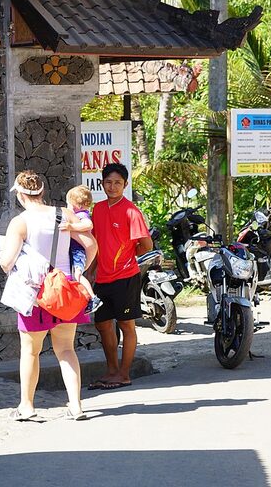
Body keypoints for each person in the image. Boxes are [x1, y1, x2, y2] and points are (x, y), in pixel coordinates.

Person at [0, 170, 97, 421]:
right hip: (65, 292)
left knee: (31, 352)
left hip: (35, 294)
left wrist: (5, 256)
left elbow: (7, 262)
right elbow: (91, 245)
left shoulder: (20, 222)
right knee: (66, 350)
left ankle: (27, 406)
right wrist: (78, 270)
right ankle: (75, 406)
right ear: (42, 192)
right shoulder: (64, 214)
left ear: (21, 195)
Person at [89, 163, 153, 391]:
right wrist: (89, 273)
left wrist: (129, 255)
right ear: (102, 183)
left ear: (125, 184)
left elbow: (146, 244)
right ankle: (112, 370)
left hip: (126, 276)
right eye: (108, 182)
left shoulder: (131, 211)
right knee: (103, 325)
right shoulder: (97, 209)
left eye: (117, 182)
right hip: (103, 279)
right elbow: (95, 244)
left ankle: (124, 374)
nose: (112, 186)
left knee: (126, 325)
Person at [64, 185, 102, 314]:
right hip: (76, 250)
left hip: (78, 251)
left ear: (76, 206)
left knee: (78, 275)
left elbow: (88, 224)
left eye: (69, 204)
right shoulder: (80, 213)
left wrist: (70, 226)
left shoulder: (81, 215)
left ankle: (92, 298)